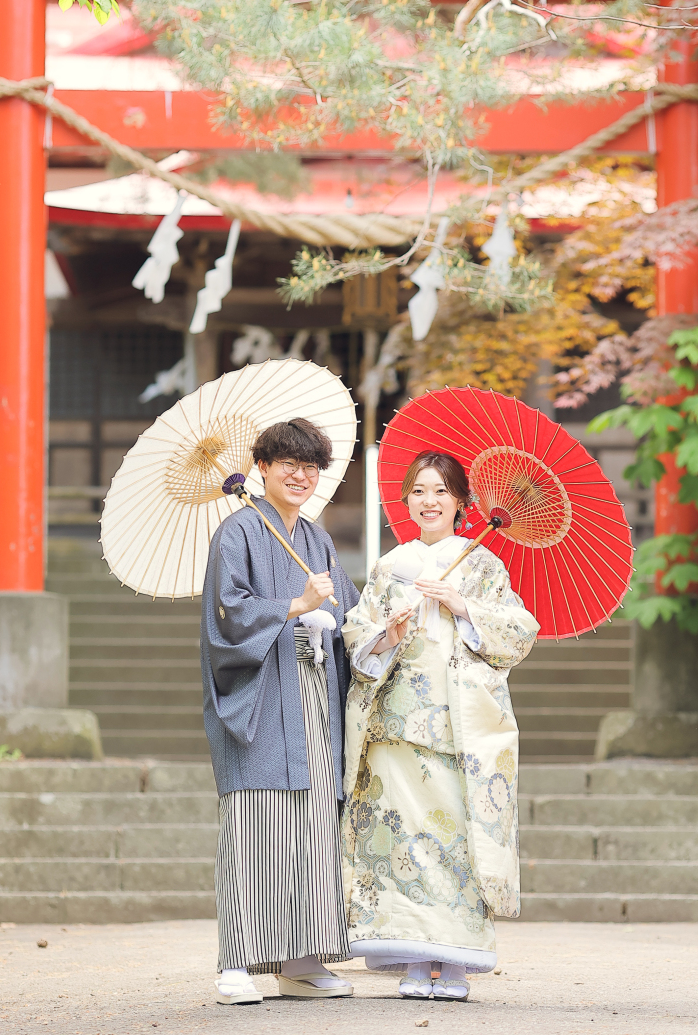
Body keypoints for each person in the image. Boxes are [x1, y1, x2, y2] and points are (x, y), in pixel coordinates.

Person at [340, 451, 539, 1001]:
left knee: (455, 843)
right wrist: (385, 634)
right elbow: (355, 634)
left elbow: (519, 632)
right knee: (400, 840)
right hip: (395, 729)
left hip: (457, 728)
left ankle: (454, 965)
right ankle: (412, 957)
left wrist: (464, 606)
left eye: (441, 491)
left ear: (460, 503)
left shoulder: (481, 566)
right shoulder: (390, 567)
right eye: (419, 491)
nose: (428, 501)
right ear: (406, 501)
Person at [200, 417, 360, 1005]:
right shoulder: (237, 532)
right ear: (261, 468)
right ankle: (236, 962)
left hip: (314, 692)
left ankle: (301, 959)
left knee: (315, 823)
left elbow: (347, 610)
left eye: (310, 466)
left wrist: (376, 628)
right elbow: (227, 613)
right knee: (256, 823)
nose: (300, 475)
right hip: (263, 690)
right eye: (288, 463)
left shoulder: (316, 539)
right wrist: (295, 604)